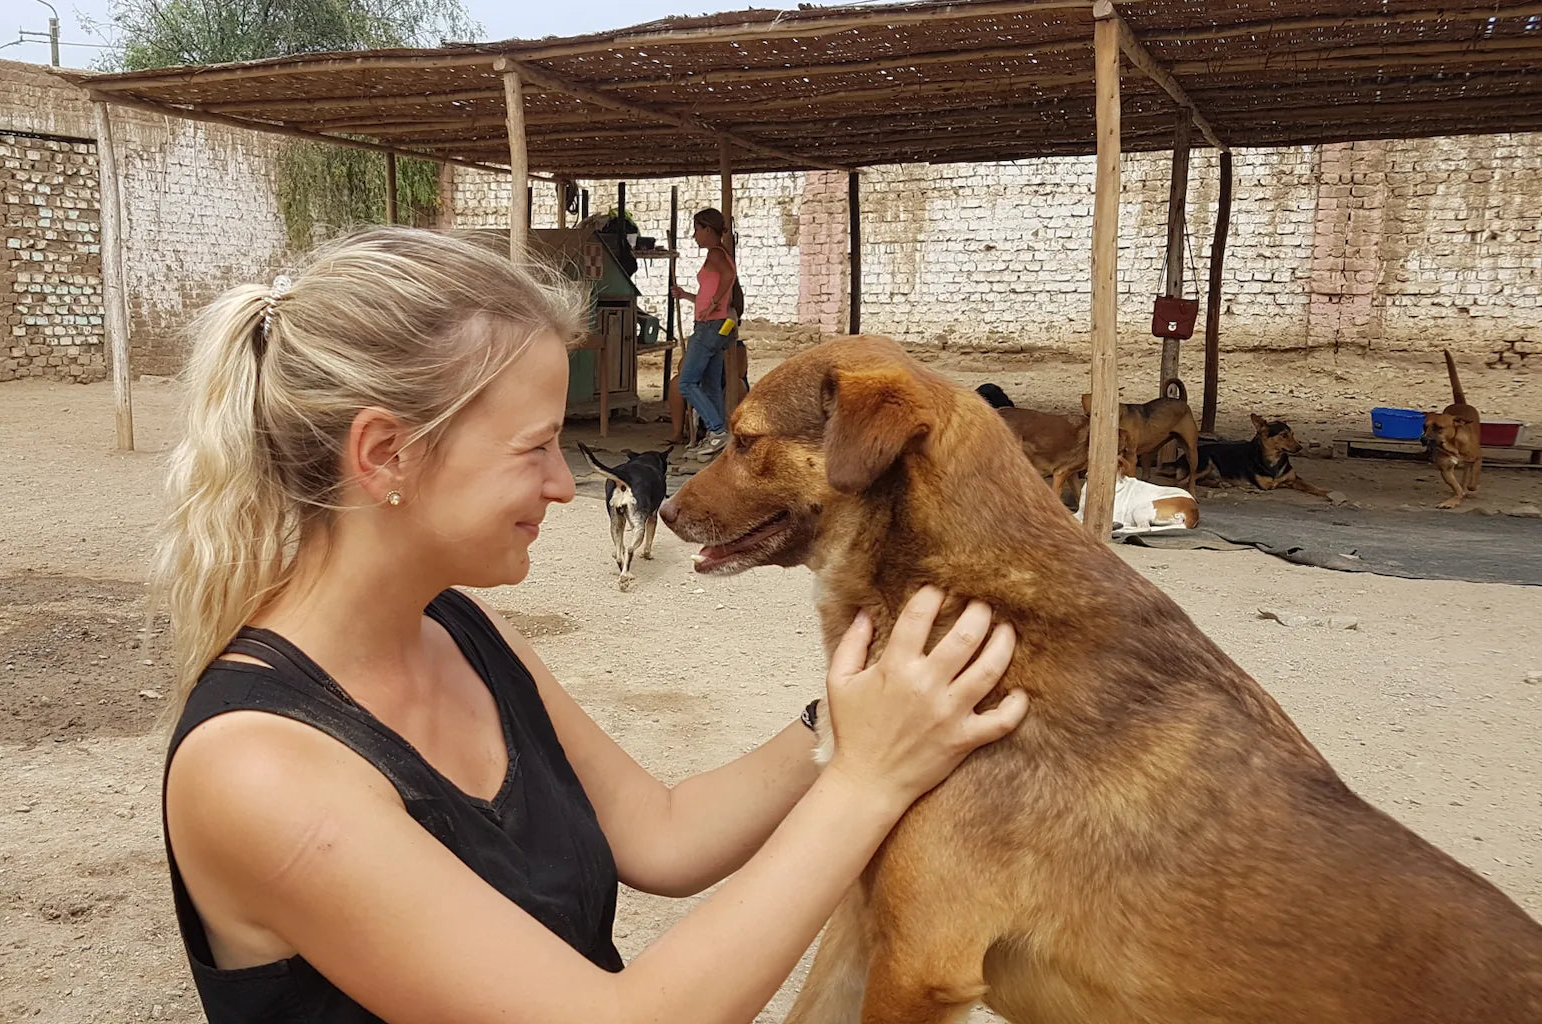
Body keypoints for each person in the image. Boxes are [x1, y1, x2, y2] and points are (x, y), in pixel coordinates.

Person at [151, 228, 1028, 1024]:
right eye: (534, 447)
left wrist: (850, 717)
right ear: (386, 455)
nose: (565, 484)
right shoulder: (258, 770)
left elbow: (664, 830)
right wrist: (865, 783)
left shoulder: (462, 634)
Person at [670, 208, 743, 459]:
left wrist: (713, 302)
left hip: (710, 327)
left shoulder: (715, 253)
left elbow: (728, 276)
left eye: (697, 230)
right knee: (711, 385)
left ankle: (717, 431)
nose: (694, 236)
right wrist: (688, 296)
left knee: (687, 382)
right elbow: (714, 288)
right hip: (718, 325)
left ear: (708, 230)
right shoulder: (720, 254)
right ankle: (718, 439)